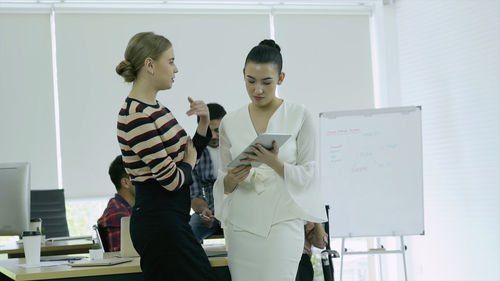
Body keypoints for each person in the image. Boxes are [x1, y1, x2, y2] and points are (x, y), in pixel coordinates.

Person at [213, 39, 327, 281]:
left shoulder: (299, 115)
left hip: (283, 221)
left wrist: (275, 163)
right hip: (240, 225)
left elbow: (310, 175)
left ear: (281, 78)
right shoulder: (229, 122)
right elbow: (223, 179)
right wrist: (231, 179)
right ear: (243, 75)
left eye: (267, 82)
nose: (258, 90)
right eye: (250, 81)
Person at [115, 32, 216, 281]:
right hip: (158, 224)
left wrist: (203, 121)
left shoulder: (156, 109)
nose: (176, 68)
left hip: (170, 222)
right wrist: (188, 162)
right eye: (170, 61)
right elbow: (172, 178)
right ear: (150, 64)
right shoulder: (136, 115)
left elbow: (189, 154)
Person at [189, 103, 226, 242]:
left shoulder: (236, 148)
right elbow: (195, 196)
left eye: (218, 130)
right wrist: (204, 210)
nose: (214, 136)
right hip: (211, 213)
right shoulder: (194, 154)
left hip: (237, 212)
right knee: (190, 233)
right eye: (209, 131)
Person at [97, 155, 135, 252]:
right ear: (126, 183)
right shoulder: (119, 213)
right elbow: (125, 255)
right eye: (138, 176)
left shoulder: (129, 208)